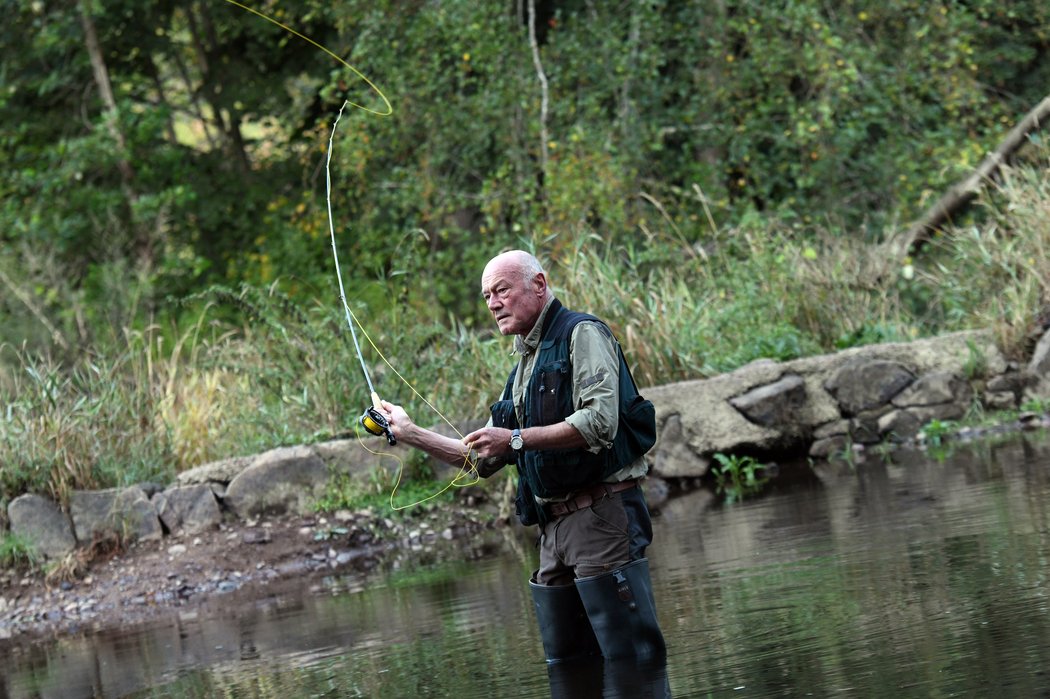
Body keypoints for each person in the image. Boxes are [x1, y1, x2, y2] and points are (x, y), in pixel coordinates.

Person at [378, 250, 665, 665]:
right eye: (486, 296)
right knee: (568, 668)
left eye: (501, 290)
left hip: (602, 517)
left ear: (539, 285)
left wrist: (515, 438)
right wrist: (409, 432)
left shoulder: (581, 333)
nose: (493, 303)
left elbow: (600, 422)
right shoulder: (523, 368)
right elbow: (481, 460)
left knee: (632, 662)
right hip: (553, 533)